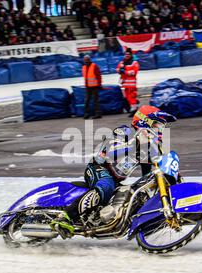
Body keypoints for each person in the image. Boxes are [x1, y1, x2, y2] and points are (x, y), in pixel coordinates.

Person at [50, 105, 177, 238]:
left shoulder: (146, 149)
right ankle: (65, 217)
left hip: (116, 180)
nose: (159, 131)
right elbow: (111, 153)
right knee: (106, 185)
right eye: (157, 126)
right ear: (144, 122)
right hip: (98, 168)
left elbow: (148, 174)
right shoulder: (125, 131)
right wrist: (135, 143)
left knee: (134, 196)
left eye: (161, 128)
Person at [117, 49, 140, 116]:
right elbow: (117, 69)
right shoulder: (122, 62)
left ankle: (134, 110)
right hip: (125, 84)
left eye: (128, 54)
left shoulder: (134, 63)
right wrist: (119, 71)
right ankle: (134, 107)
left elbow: (134, 72)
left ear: (131, 55)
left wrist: (125, 72)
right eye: (126, 54)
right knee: (127, 97)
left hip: (132, 84)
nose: (127, 56)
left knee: (132, 97)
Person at [82, 55, 102, 119]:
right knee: (87, 100)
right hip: (88, 87)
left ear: (89, 59)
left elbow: (98, 76)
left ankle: (98, 113)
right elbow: (86, 77)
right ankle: (87, 114)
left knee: (95, 100)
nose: (86, 61)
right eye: (85, 60)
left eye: (87, 59)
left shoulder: (94, 66)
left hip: (95, 86)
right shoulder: (84, 67)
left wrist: (99, 84)